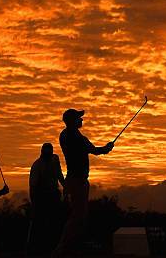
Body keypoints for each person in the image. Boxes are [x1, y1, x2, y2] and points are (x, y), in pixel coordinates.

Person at [54, 108, 114, 255]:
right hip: (78, 182)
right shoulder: (79, 138)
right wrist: (107, 148)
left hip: (71, 181)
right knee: (78, 217)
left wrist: (104, 149)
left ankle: (68, 248)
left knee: (78, 216)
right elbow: (97, 151)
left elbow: (92, 149)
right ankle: (62, 249)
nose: (81, 120)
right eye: (79, 118)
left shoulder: (63, 135)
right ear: (73, 121)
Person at [28, 143, 65, 254]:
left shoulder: (55, 160)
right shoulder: (37, 165)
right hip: (41, 197)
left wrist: (66, 187)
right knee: (39, 223)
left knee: (54, 222)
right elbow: (33, 186)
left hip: (53, 195)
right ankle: (35, 248)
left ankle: (52, 246)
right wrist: (34, 202)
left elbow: (59, 175)